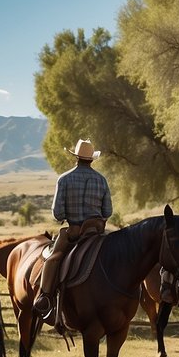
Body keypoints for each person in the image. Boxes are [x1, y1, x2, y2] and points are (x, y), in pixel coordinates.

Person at [33, 139, 113, 325]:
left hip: (74, 233)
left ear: (76, 157)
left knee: (53, 259)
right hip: (97, 233)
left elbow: (57, 213)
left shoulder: (64, 179)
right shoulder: (101, 180)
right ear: (92, 159)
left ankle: (45, 297)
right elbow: (108, 211)